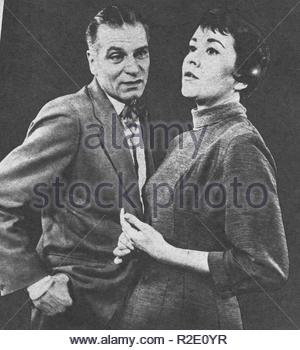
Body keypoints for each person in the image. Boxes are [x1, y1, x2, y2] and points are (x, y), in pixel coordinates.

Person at [113, 8, 289, 329]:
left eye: (211, 50)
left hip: (196, 322)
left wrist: (163, 251)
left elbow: (265, 266)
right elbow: (171, 227)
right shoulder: (183, 141)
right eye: (193, 47)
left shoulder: (240, 142)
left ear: (241, 76)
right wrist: (138, 242)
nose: (192, 59)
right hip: (147, 315)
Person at [0, 5, 154, 329]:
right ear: (92, 60)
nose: (134, 68)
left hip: (130, 307)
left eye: (141, 54)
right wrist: (36, 283)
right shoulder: (69, 116)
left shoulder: (139, 114)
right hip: (73, 308)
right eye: (116, 56)